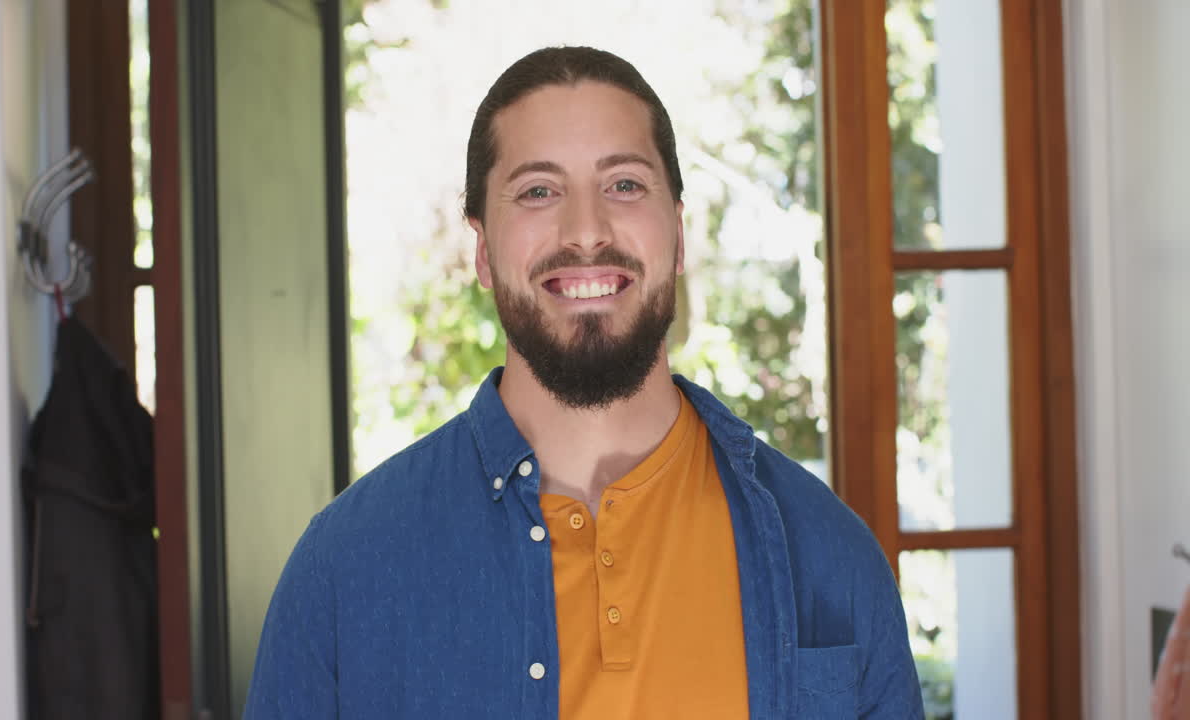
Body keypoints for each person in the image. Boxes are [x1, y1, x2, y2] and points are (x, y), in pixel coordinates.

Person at [245, 46, 923, 719]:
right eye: (539, 191)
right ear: (482, 249)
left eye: (624, 184)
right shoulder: (344, 570)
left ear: (679, 236)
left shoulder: (831, 555)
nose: (587, 231)